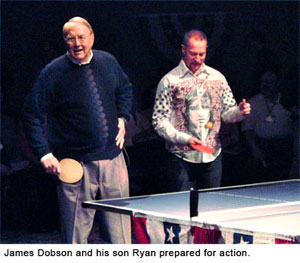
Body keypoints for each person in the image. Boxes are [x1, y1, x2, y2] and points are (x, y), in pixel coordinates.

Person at [22, 17, 133, 244]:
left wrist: (122, 117)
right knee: (75, 240)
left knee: (122, 237)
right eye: (70, 38)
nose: (77, 43)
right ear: (65, 41)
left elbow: (125, 89)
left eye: (81, 37)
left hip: (114, 160)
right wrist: (44, 153)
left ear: (91, 38)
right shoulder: (52, 72)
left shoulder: (108, 61)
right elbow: (31, 113)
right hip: (76, 166)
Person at [152, 30, 251, 191]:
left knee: (210, 207)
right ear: (183, 49)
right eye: (193, 54)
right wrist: (185, 139)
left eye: (201, 54)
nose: (197, 59)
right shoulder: (169, 81)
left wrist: (239, 112)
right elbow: (159, 121)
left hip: (212, 154)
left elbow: (226, 115)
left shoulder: (217, 78)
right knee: (181, 208)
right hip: (181, 156)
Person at [241, 70, 293, 183]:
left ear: (277, 83)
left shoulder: (288, 101)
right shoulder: (254, 102)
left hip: (283, 147)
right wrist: (254, 148)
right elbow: (247, 129)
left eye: (269, 82)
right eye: (263, 82)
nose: (265, 85)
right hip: (262, 146)